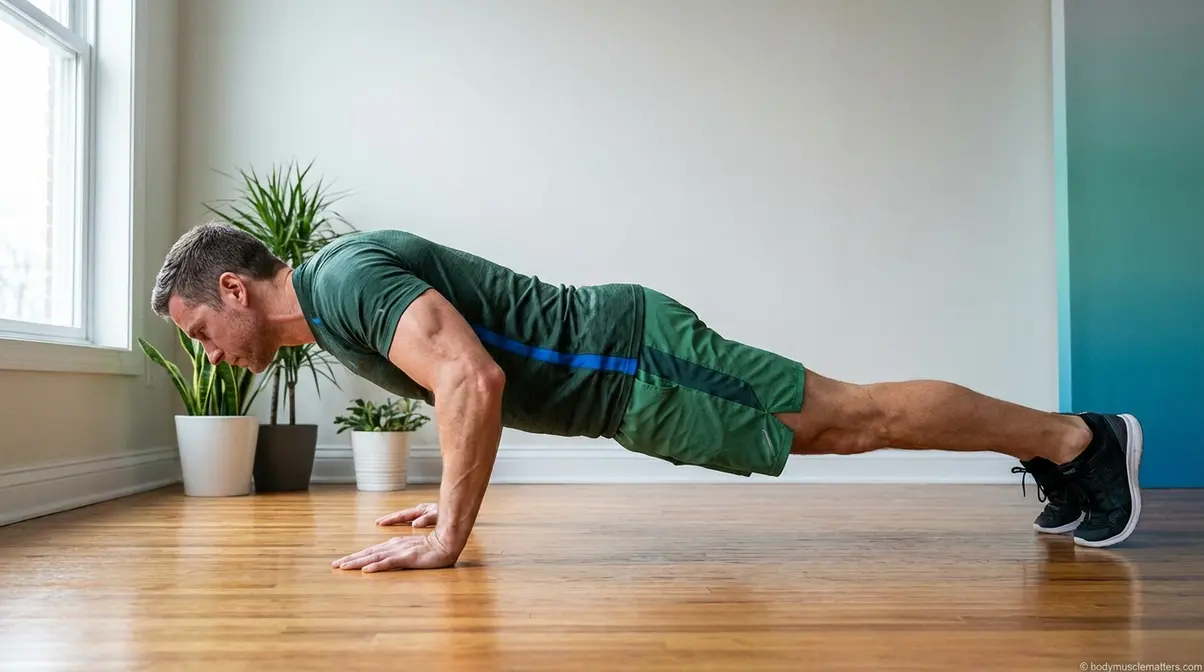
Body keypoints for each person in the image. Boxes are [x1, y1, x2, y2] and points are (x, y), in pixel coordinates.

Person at [150, 223, 1143, 572]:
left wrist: (449, 533)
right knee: (843, 427)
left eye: (201, 331)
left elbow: (472, 378)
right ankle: (1061, 447)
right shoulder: (334, 306)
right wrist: (445, 499)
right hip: (628, 385)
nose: (216, 355)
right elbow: (461, 384)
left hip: (633, 361)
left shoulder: (342, 282)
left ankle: (1078, 438)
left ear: (233, 289)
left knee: (852, 419)